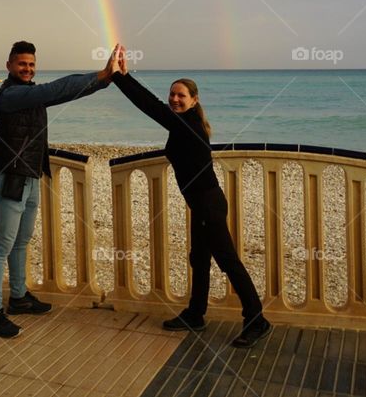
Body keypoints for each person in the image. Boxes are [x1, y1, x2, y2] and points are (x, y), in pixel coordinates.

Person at [110, 47, 271, 348]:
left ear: (194, 100)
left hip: (209, 205)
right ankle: (195, 314)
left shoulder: (189, 125)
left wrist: (121, 77)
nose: (174, 99)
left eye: (181, 95)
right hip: (201, 204)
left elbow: (150, 106)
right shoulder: (186, 124)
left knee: (228, 262)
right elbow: (157, 108)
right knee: (199, 258)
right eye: (172, 94)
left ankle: (256, 319)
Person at [0, 40, 119, 338]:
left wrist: (105, 81)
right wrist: (99, 74)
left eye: (31, 64)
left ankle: (18, 297)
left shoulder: (28, 93)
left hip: (30, 174)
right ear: (8, 66)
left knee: (21, 241)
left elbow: (62, 92)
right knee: (1, 245)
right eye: (22, 64)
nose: (28, 69)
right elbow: (57, 90)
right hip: (11, 176)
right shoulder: (12, 95)